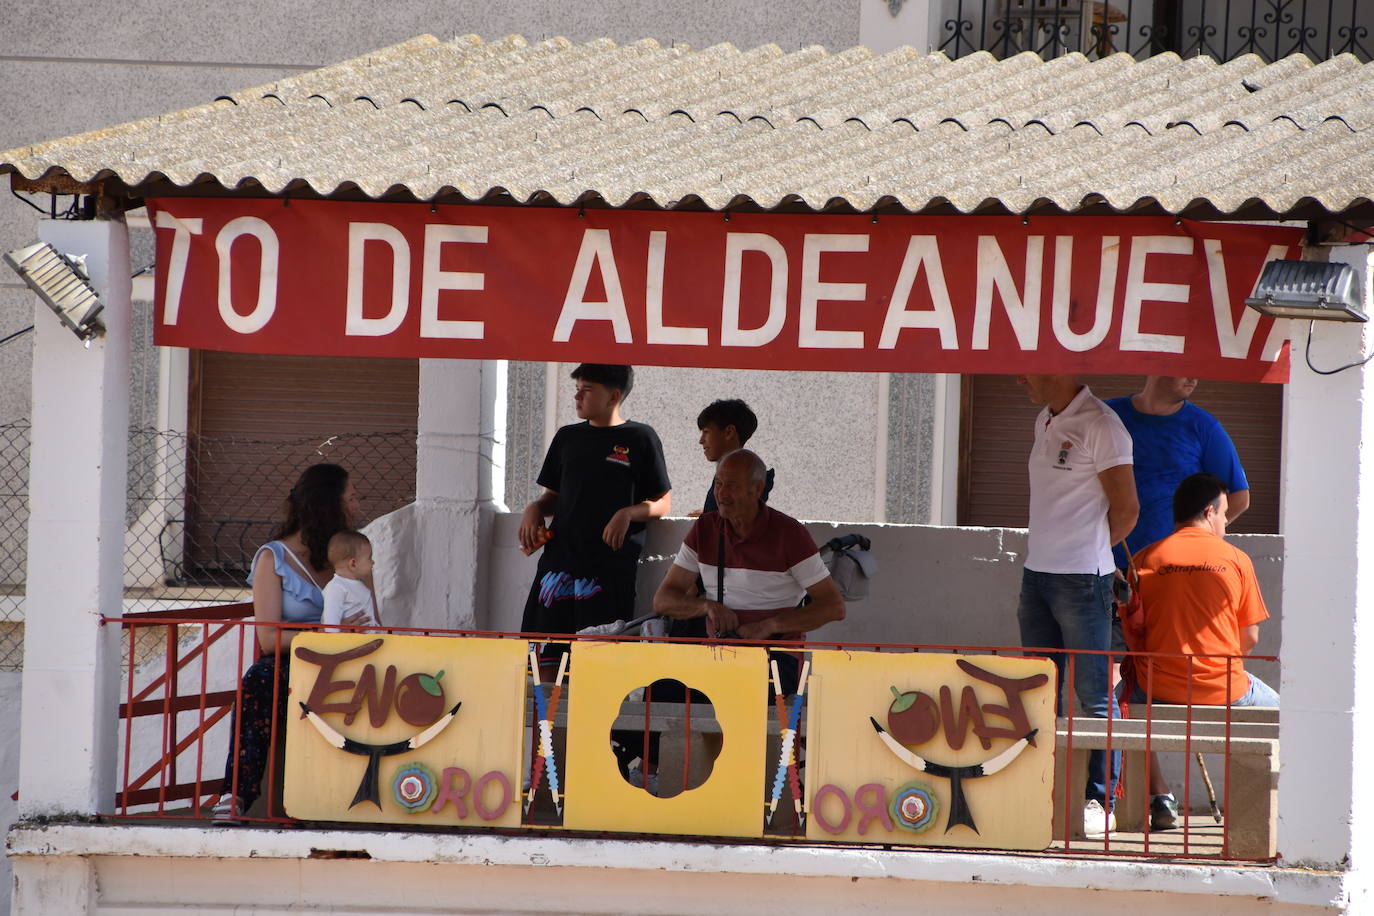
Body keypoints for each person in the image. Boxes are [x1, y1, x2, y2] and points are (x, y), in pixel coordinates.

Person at [1015, 374, 1138, 837]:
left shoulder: (1102, 425)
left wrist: (1089, 555)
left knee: (1094, 696)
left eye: (1030, 369)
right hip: (1037, 576)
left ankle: (1100, 800)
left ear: (1061, 369)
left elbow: (1127, 509)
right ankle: (1035, 789)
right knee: (1038, 689)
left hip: (1083, 580)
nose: (1021, 377)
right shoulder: (1044, 418)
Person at [213, 463, 369, 822]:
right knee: (258, 679)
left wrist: (346, 634)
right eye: (352, 497)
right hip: (295, 662)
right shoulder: (274, 558)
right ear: (328, 504)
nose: (358, 506)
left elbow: (368, 616)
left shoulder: (350, 556)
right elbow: (269, 638)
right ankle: (235, 794)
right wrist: (330, 631)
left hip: (349, 658)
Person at [1122, 472, 1277, 829]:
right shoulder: (1236, 559)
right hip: (1224, 690)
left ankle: (1159, 796)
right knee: (1292, 718)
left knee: (1119, 710)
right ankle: (1267, 808)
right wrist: (1212, 668)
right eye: (1224, 515)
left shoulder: (1144, 559)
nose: (1225, 522)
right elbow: (1249, 638)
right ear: (1209, 512)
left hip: (1157, 689)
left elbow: (1135, 633)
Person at [653, 448, 845, 689]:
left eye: (731, 485)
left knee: (737, 689)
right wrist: (708, 606)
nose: (721, 493)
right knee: (658, 692)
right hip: (718, 655)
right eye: (718, 484)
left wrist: (769, 626)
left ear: (757, 489)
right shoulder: (705, 530)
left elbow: (833, 607)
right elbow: (663, 600)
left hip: (776, 659)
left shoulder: (790, 534)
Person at [518, 364, 672, 638]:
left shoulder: (641, 438)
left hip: (609, 570)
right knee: (544, 650)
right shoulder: (567, 437)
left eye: (587, 390)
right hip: (558, 564)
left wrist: (627, 513)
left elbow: (662, 502)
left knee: (598, 654)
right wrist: (534, 509)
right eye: (577, 390)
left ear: (613, 396)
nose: (577, 397)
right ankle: (547, 685)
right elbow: (552, 497)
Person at [1107, 377, 1250, 567]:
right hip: (1105, 562)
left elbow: (1239, 497)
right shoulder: (1107, 416)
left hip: (1174, 567)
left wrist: (1194, 541)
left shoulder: (1204, 426)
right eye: (1184, 368)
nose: (1193, 378)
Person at [689, 399, 774, 517]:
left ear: (729, 432)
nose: (701, 440)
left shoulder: (751, 479)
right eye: (720, 484)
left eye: (706, 431)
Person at [321, 530, 381, 632]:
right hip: (349, 644)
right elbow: (330, 625)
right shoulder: (336, 588)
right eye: (369, 558)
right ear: (353, 564)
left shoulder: (359, 585)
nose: (373, 562)